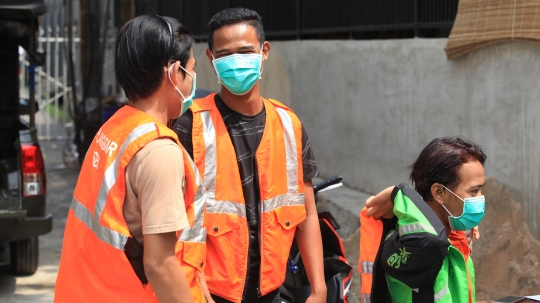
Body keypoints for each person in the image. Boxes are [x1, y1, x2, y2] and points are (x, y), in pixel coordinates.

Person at [173, 7, 326, 303]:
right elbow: (176, 226)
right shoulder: (190, 126)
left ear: (264, 51)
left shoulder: (289, 124)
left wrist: (318, 289)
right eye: (225, 55)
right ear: (211, 59)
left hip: (271, 292)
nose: (236, 63)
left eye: (245, 51)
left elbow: (306, 212)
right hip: (211, 295)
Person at [55, 15, 207, 303]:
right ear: (175, 73)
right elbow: (160, 265)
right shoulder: (159, 152)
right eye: (192, 70)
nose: (192, 84)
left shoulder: (115, 127)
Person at [360, 137, 486, 303]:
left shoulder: (454, 238)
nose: (480, 198)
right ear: (439, 192)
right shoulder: (412, 246)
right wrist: (400, 194)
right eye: (474, 191)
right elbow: (431, 241)